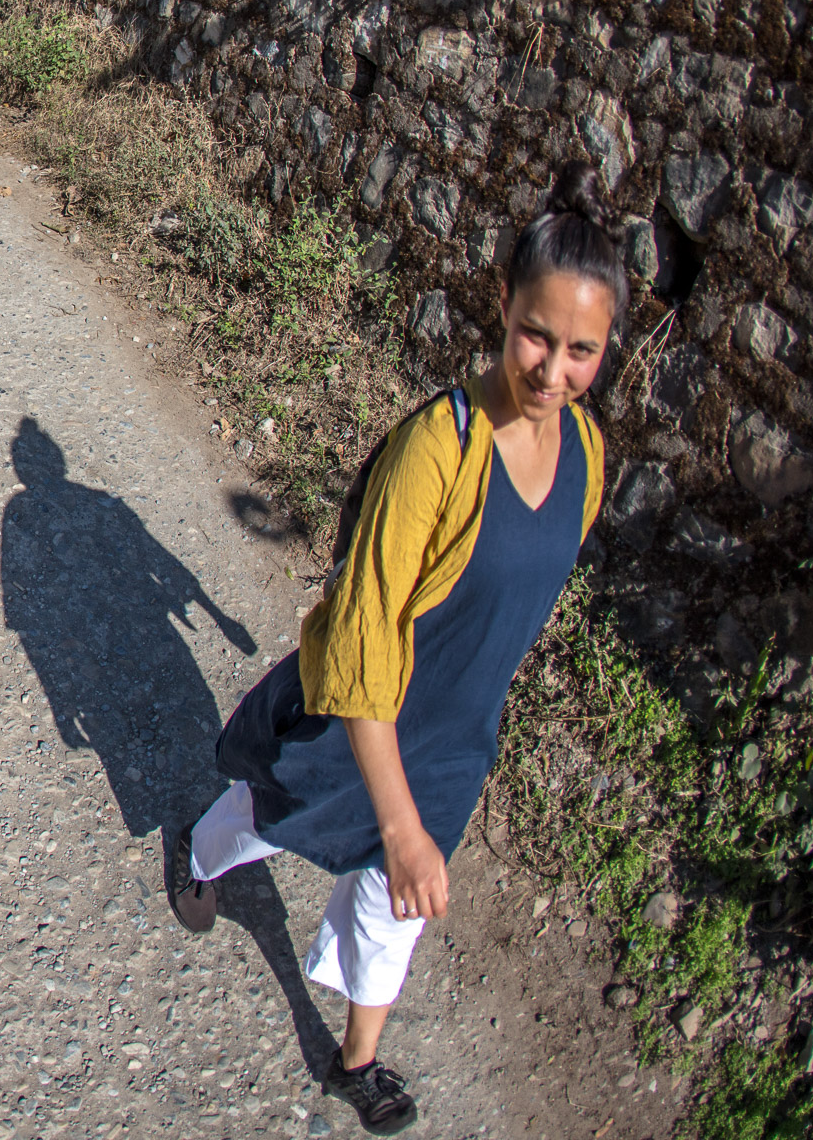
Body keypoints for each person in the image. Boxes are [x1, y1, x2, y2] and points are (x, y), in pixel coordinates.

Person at [163, 163, 624, 1136]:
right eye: (536, 336)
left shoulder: (585, 457)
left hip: (454, 740)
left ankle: (356, 1061)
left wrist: (417, 821)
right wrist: (400, 824)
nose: (552, 371)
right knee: (268, 816)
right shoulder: (438, 449)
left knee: (391, 906)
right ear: (502, 305)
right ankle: (198, 854)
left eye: (580, 350)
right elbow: (366, 640)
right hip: (363, 721)